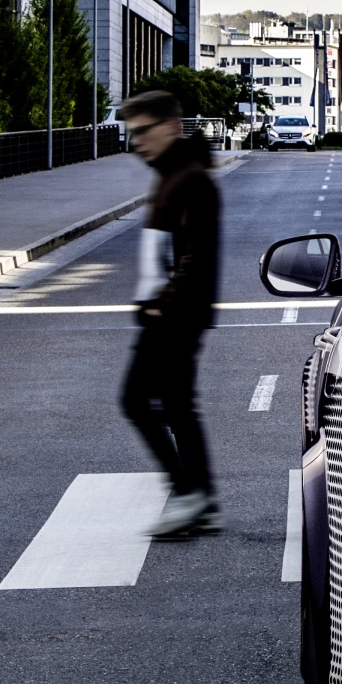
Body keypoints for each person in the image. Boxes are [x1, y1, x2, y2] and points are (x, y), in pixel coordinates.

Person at [121, 91, 221, 536]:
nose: (136, 142)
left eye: (142, 131)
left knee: (138, 401)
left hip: (174, 314)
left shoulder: (190, 179)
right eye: (131, 134)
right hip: (167, 311)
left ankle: (188, 493)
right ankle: (199, 497)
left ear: (169, 126)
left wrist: (163, 305)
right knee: (177, 406)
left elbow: (196, 255)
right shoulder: (170, 175)